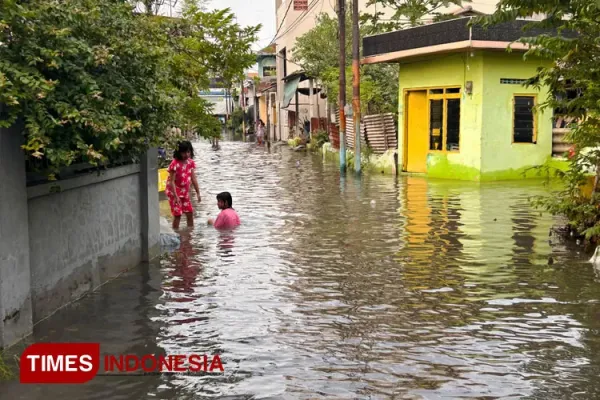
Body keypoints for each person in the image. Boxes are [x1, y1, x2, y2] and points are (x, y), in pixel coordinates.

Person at [166, 141, 201, 229]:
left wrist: (198, 193)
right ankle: (175, 234)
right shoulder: (174, 164)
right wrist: (175, 196)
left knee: (189, 213)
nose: (186, 154)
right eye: (184, 152)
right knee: (178, 215)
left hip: (184, 192)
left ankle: (190, 234)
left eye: (188, 152)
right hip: (173, 192)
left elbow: (193, 178)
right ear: (179, 152)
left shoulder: (190, 163)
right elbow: (172, 181)